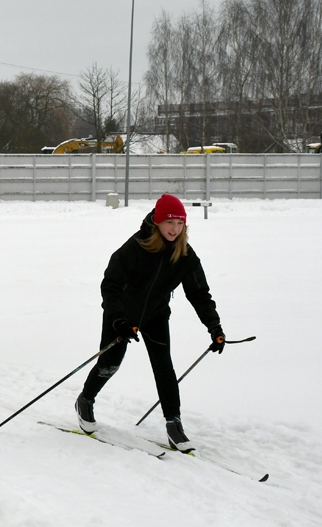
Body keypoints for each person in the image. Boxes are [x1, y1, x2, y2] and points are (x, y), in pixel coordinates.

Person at [74, 194, 225, 453]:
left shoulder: (184, 254)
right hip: (121, 314)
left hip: (155, 315)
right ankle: (85, 400)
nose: (174, 229)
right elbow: (111, 284)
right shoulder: (136, 247)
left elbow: (199, 293)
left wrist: (214, 327)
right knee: (110, 363)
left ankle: (173, 423)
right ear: (157, 222)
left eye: (180, 224)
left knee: (164, 366)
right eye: (169, 223)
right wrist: (119, 319)